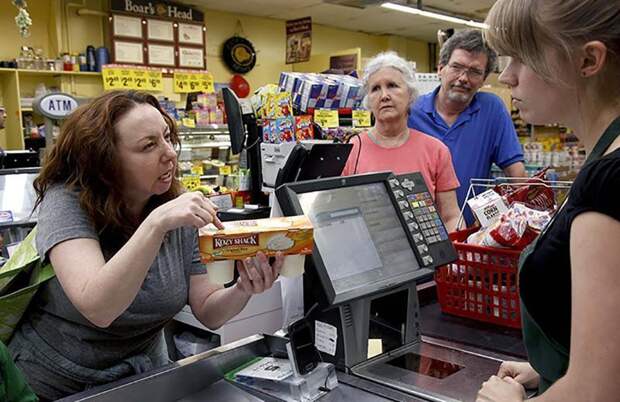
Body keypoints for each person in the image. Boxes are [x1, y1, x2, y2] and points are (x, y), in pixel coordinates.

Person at [8, 91, 284, 401]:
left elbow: (208, 309)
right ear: (105, 160)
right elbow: (99, 308)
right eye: (148, 146)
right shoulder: (68, 202)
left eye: (167, 137)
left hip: (142, 379)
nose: (169, 153)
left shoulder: (174, 204)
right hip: (59, 385)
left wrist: (244, 288)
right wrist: (155, 224)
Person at [476, 1, 620, 401]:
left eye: (522, 57)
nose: (507, 77)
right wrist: (554, 367)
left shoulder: (608, 183)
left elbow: (597, 393)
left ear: (588, 60)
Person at [408, 29, 526, 225]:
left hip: (471, 236)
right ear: (440, 68)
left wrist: (525, 220)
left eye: (474, 71)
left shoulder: (492, 110)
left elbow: (516, 173)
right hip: (418, 230)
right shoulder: (411, 112)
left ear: (483, 79)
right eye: (456, 67)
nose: (463, 78)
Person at [342, 51, 461, 232]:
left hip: (426, 257)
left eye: (392, 85)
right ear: (368, 101)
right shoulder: (351, 149)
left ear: (410, 93)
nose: (384, 95)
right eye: (375, 88)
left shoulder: (436, 150)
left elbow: (451, 217)